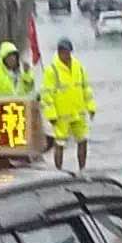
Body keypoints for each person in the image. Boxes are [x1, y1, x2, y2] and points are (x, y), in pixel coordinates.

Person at [41, 38, 97, 171]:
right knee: (59, 143)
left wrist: (91, 107)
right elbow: (47, 95)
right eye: (62, 51)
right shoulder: (52, 70)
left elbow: (85, 89)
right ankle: (58, 170)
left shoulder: (78, 67)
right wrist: (51, 115)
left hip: (78, 112)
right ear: (58, 52)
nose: (65, 54)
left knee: (83, 140)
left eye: (67, 51)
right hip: (61, 115)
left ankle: (82, 169)